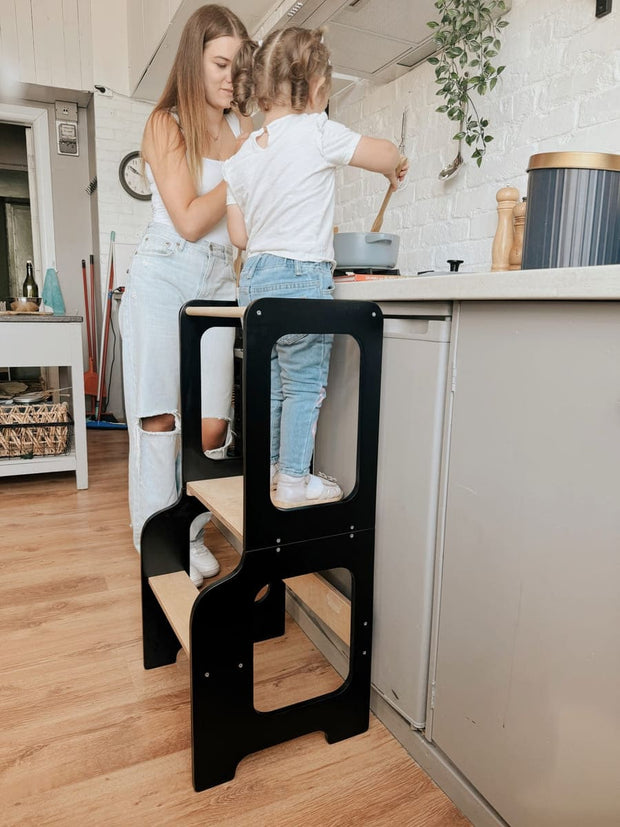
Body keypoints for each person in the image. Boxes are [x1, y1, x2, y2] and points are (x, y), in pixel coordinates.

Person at [223, 27, 408, 507]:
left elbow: (239, 236)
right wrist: (394, 165)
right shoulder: (318, 131)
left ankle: (267, 472)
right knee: (304, 384)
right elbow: (385, 152)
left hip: (255, 281)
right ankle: (294, 481)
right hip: (301, 276)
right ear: (319, 89)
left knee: (271, 386)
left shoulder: (240, 158)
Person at [119, 5, 253, 585]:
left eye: (239, 66)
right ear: (193, 60)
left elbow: (243, 225)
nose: (232, 77)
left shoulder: (244, 132)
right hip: (162, 278)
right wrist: (249, 169)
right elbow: (192, 220)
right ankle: (161, 538)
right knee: (160, 421)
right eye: (221, 63)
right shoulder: (164, 123)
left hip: (221, 283)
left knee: (211, 431)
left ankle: (192, 529)